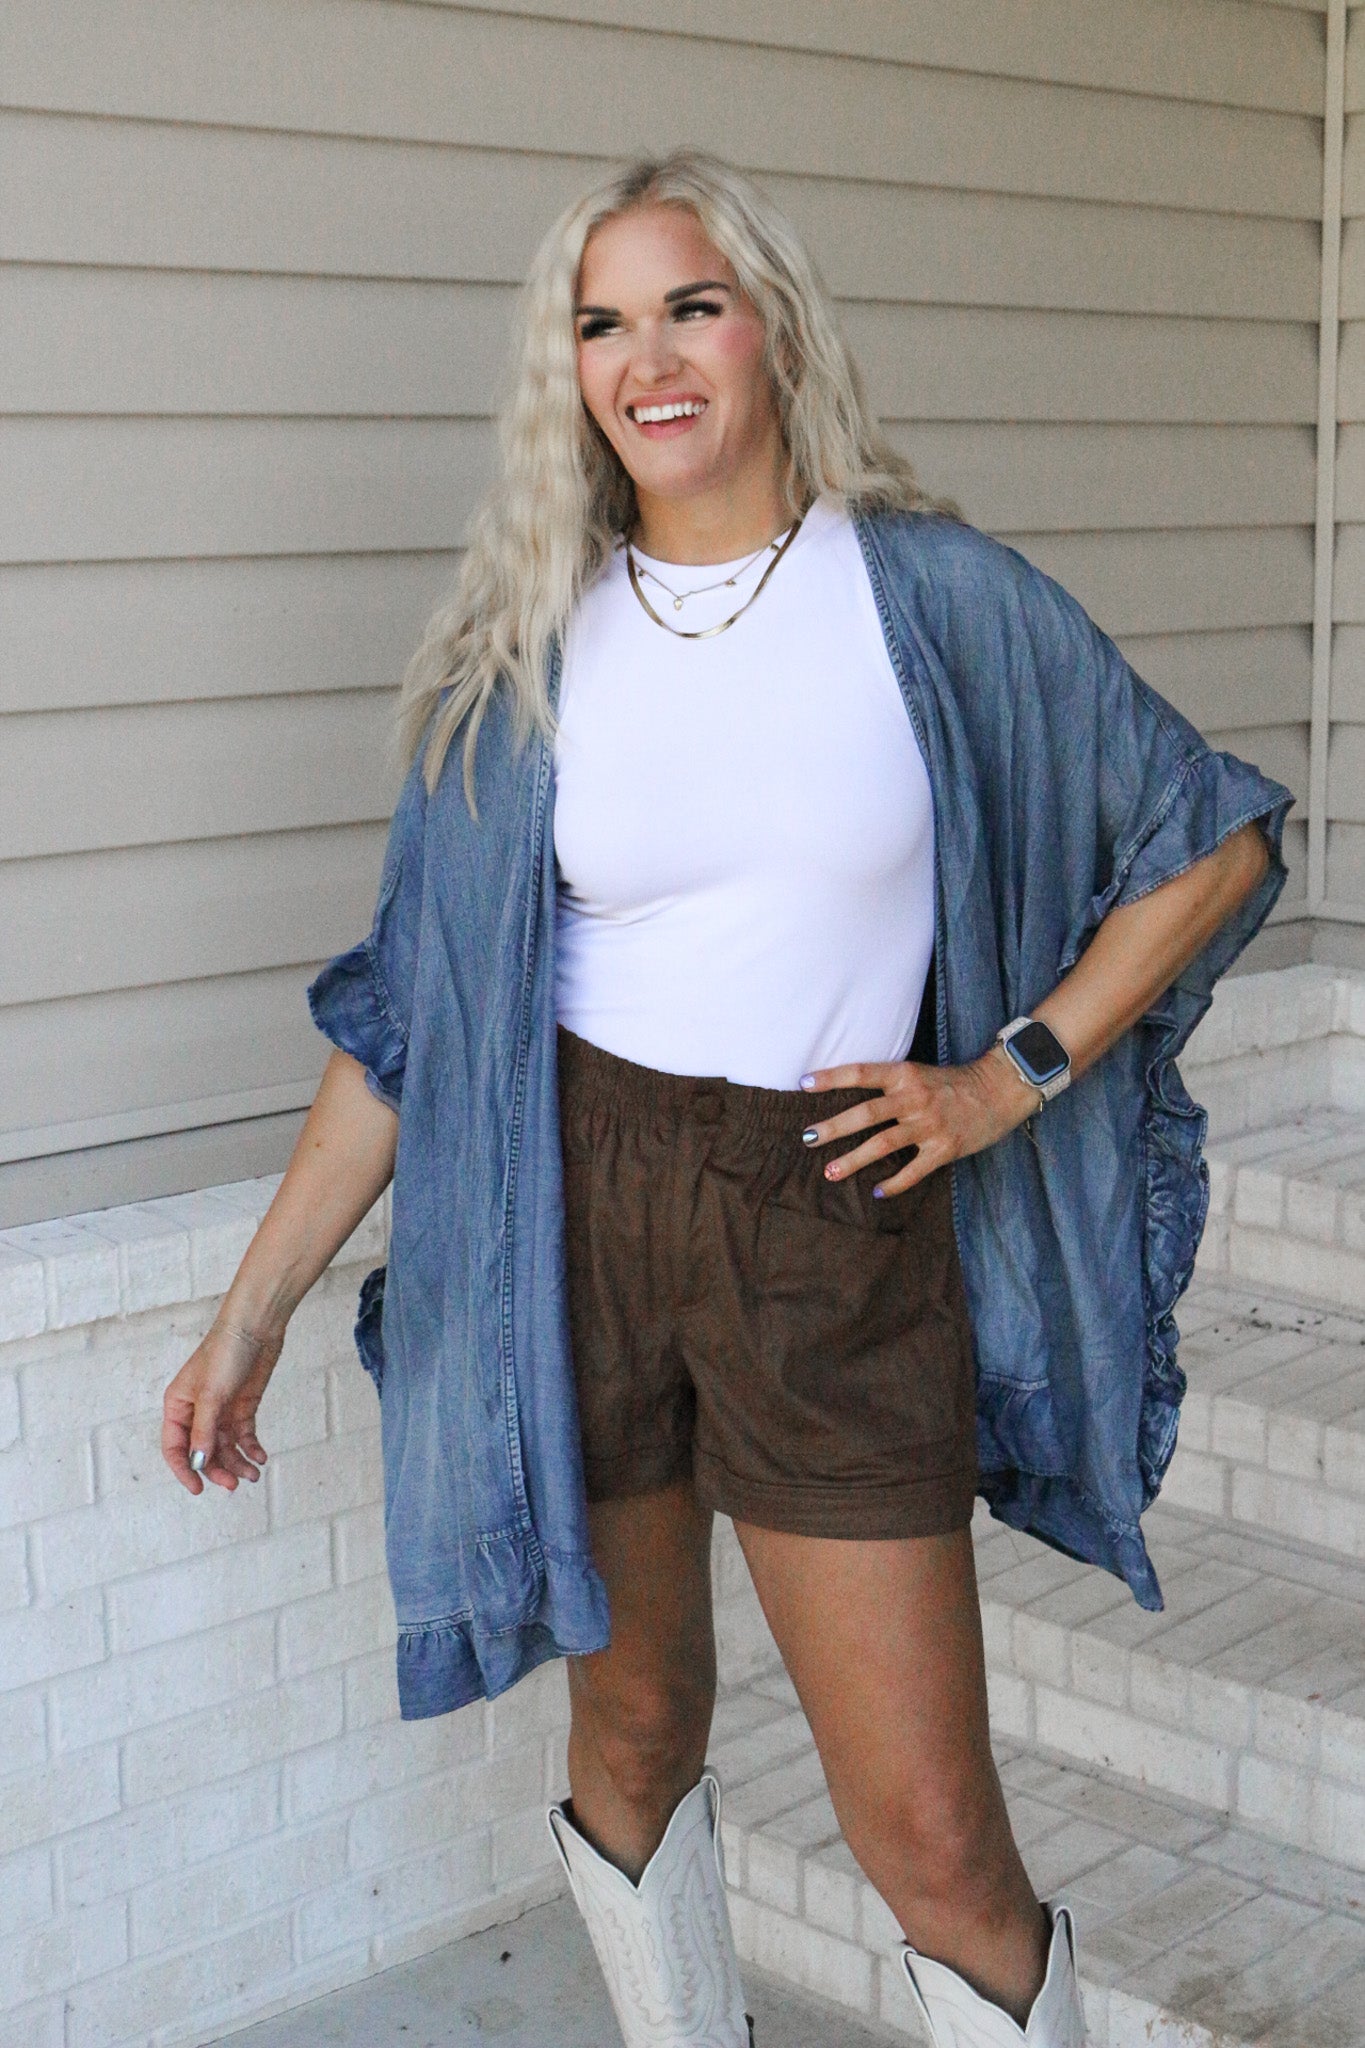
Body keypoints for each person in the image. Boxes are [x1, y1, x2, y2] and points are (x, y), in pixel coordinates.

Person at [162, 152, 1291, 2048]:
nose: (649, 358)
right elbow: (413, 1022)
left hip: (822, 1215)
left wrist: (1007, 1076)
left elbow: (1211, 840)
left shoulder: (930, 598)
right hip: (571, 1220)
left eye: (690, 305)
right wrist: (250, 1311)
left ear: (769, 325)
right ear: (570, 373)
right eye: (601, 323)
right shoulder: (529, 645)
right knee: (631, 1724)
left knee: (932, 1833)